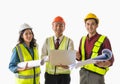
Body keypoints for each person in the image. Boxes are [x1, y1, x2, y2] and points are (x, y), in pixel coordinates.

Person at [76, 13, 114, 84]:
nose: (90, 26)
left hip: (96, 75)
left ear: (97, 25)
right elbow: (80, 58)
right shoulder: (83, 39)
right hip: (83, 74)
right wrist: (77, 56)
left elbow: (111, 60)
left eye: (92, 24)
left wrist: (103, 64)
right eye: (88, 24)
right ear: (85, 25)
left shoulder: (104, 39)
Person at [41, 16, 74, 84]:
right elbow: (42, 57)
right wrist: (50, 58)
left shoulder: (69, 41)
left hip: (64, 77)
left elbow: (71, 60)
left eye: (61, 25)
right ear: (52, 27)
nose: (58, 28)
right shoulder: (47, 40)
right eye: (56, 25)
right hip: (49, 76)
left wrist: (67, 65)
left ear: (64, 27)